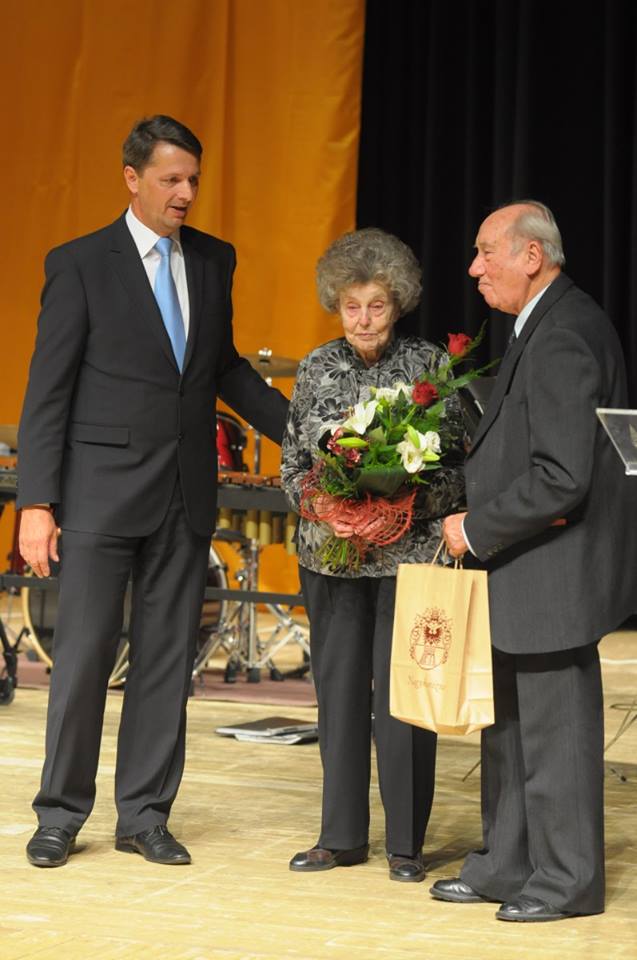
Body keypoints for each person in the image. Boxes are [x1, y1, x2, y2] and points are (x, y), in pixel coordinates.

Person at [18, 115, 288, 868]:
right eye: (171, 179)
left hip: (183, 494)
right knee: (83, 660)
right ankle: (60, 814)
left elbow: (222, 367)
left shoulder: (213, 260)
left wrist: (300, 430)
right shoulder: (79, 264)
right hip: (99, 495)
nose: (186, 193)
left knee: (167, 664)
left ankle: (144, 816)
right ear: (132, 178)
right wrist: (36, 503)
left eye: (193, 179)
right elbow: (48, 391)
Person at [433, 200, 637, 921]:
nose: (474, 268)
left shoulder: (563, 334)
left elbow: (561, 475)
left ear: (531, 255)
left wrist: (473, 527)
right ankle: (506, 865)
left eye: (486, 252)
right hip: (528, 564)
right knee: (511, 729)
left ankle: (566, 881)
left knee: (555, 734)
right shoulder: (544, 321)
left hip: (552, 567)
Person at [281, 228, 465, 883]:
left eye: (376, 306)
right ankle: (339, 837)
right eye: (351, 306)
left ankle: (405, 845)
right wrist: (322, 505)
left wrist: (403, 504)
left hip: (407, 558)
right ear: (336, 304)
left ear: (398, 303)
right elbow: (292, 467)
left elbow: (456, 469)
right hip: (330, 559)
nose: (362, 319)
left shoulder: (427, 366)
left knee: (404, 700)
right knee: (336, 696)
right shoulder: (315, 366)